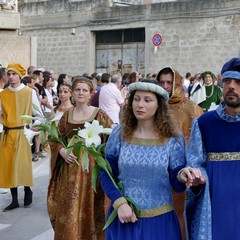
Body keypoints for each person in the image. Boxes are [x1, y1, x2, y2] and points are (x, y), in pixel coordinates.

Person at [100, 79, 187, 240]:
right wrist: (120, 203)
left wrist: (183, 176)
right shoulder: (119, 134)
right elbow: (106, 174)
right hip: (125, 217)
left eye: (147, 100)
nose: (140, 105)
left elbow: (177, 184)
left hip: (160, 222)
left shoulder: (172, 139)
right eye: (136, 99)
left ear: (159, 105)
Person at [179, 57, 240, 239]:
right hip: (215, 201)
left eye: (238, 82)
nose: (231, 86)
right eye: (227, 81)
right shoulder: (205, 122)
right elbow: (195, 162)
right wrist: (197, 176)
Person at [47, 77, 113, 240]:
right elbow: (55, 138)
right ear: (73, 93)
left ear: (91, 93)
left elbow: (111, 140)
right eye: (77, 90)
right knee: (69, 209)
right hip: (69, 173)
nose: (80, 93)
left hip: (91, 173)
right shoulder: (66, 115)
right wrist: (62, 150)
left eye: (84, 90)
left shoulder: (99, 114)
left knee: (89, 208)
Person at [156, 67, 203, 239]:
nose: (165, 86)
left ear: (177, 83)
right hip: (158, 167)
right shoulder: (156, 105)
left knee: (179, 212)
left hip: (182, 168)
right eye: (162, 82)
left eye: (169, 82)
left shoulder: (191, 108)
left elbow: (200, 139)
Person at [0, 63, 43, 211]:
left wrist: (33, 128)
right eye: (9, 74)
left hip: (23, 133)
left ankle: (27, 189)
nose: (11, 77)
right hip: (7, 134)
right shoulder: (3, 94)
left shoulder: (29, 93)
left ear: (19, 75)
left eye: (14, 74)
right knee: (9, 165)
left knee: (22, 165)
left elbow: (39, 115)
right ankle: (14, 199)